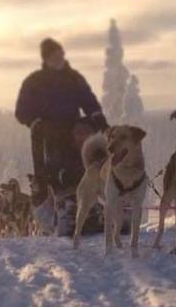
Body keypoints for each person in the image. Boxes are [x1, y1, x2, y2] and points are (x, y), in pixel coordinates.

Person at [15, 37, 107, 233]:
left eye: (60, 55)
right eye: (54, 56)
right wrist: (36, 122)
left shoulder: (74, 78)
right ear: (46, 58)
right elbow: (21, 111)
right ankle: (59, 207)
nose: (59, 59)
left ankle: (90, 203)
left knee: (84, 162)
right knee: (53, 170)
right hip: (46, 135)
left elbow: (88, 101)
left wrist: (98, 119)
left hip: (73, 131)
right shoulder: (34, 81)